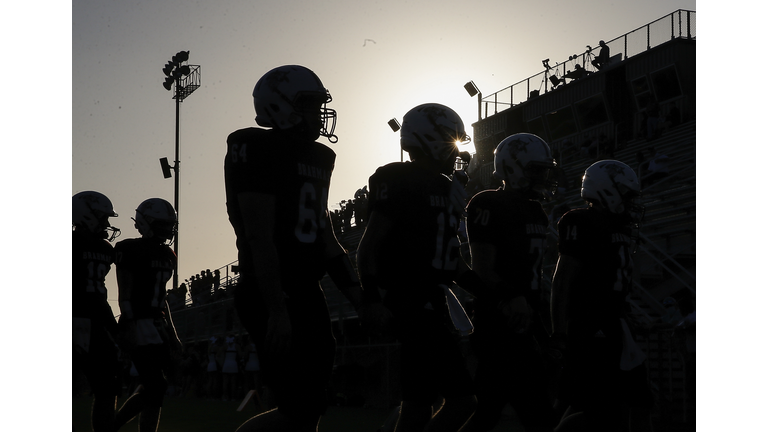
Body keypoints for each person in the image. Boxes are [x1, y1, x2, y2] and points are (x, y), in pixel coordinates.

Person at [224, 64, 387, 432]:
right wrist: (277, 310)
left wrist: (360, 299)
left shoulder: (318, 156)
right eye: (311, 104)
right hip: (272, 289)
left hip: (305, 291)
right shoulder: (254, 146)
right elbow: (259, 236)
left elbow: (325, 236)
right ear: (281, 106)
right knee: (297, 408)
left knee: (310, 409)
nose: (319, 113)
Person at [357, 103, 490, 432]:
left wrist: (488, 293)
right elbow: (369, 245)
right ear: (429, 138)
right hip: (412, 302)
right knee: (463, 401)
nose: (455, 149)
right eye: (449, 139)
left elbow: (450, 258)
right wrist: (372, 298)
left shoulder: (448, 188)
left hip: (434, 301)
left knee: (417, 407)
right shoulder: (399, 178)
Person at [461, 134, 558, 432]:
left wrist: (541, 327)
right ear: (513, 166)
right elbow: (483, 269)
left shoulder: (536, 211)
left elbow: (533, 275)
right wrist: (511, 297)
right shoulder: (488, 202)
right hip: (497, 320)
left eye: (544, 170)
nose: (542, 176)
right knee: (514, 412)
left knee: (494, 411)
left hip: (525, 320)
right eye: (536, 169)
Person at [550, 160, 653, 431]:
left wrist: (624, 314)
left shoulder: (618, 227)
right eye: (627, 195)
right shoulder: (581, 221)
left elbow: (612, 280)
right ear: (608, 190)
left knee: (639, 403)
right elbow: (562, 281)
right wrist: (560, 333)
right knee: (601, 412)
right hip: (591, 328)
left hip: (614, 325)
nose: (631, 202)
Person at [112, 198, 181, 432]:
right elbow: (125, 291)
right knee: (156, 385)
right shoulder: (129, 248)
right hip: (138, 321)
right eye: (163, 224)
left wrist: (172, 332)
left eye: (169, 224)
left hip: (156, 322)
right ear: (146, 222)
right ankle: (112, 426)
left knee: (155, 387)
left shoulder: (168, 254)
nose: (168, 229)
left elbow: (162, 298)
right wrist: (128, 324)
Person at [73, 191, 121, 432]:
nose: (106, 224)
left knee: (107, 389)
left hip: (95, 321)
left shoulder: (105, 249)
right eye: (102, 217)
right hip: (80, 320)